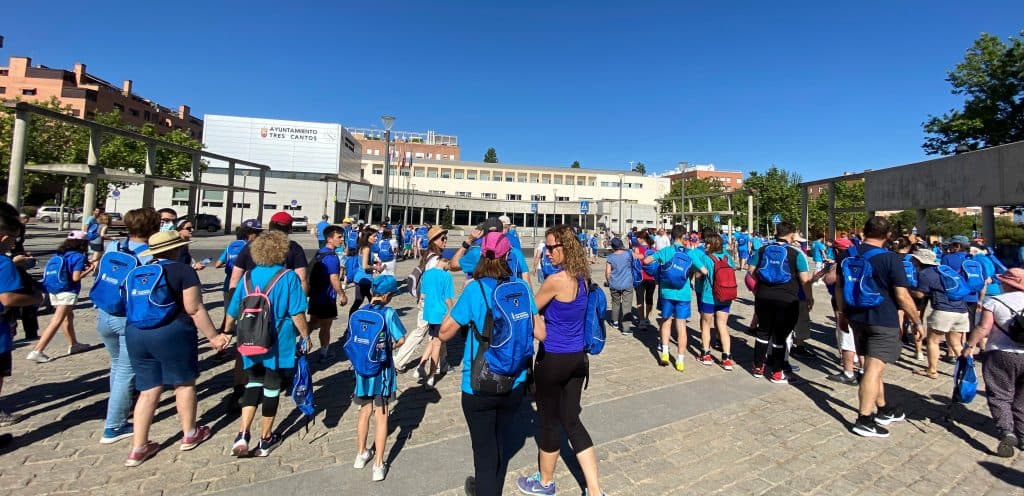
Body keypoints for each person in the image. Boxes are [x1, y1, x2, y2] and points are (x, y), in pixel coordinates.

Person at [439, 231, 544, 496]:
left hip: (479, 383)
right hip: (515, 381)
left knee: (483, 453)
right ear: (508, 256)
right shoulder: (521, 288)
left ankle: (485, 489)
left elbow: (444, 333)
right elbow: (540, 332)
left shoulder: (475, 289)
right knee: (499, 439)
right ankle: (490, 486)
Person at [123, 230, 230, 466]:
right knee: (183, 383)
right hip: (171, 331)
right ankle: (190, 433)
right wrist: (214, 337)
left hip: (136, 332)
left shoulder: (138, 271)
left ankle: (138, 447)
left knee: (148, 390)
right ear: (176, 248)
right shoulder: (183, 271)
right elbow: (194, 309)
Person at [517, 226, 603, 496]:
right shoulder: (584, 277)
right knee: (572, 421)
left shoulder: (556, 280)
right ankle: (595, 490)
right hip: (578, 359)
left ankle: (545, 483)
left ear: (566, 247)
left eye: (552, 247)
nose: (547, 253)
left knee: (549, 422)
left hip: (553, 358)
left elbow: (530, 310)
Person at [224, 230, 311, 457]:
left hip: (249, 337)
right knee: (272, 386)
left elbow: (233, 311)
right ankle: (265, 438)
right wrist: (305, 336)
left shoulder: (248, 276)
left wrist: (226, 332)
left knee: (253, 381)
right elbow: (297, 312)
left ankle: (243, 433)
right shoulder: (288, 277)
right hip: (278, 338)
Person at [839, 216, 922, 438]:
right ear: (888, 235)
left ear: (864, 231)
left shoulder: (848, 254)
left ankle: (884, 409)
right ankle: (864, 419)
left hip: (856, 316)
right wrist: (917, 321)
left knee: (870, 367)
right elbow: (902, 296)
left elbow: (840, 287)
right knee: (873, 369)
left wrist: (842, 314)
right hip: (882, 318)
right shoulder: (890, 258)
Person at [93, 207, 159, 444]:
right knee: (126, 371)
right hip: (127, 317)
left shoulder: (115, 247)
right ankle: (114, 425)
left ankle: (118, 408)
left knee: (116, 366)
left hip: (105, 312)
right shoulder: (149, 255)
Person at [963, 267, 1024, 457]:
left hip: (1000, 354)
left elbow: (983, 328)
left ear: (1006, 283)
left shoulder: (995, 301)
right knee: (1022, 398)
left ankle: (1006, 431)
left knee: (1000, 394)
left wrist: (969, 346)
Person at [350, 275, 406, 482]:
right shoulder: (388, 313)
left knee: (364, 411)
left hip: (361, 370)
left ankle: (360, 454)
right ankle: (379, 465)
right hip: (381, 372)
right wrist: (390, 347)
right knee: (382, 416)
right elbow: (401, 339)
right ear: (388, 295)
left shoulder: (359, 312)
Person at [746, 221, 811, 383]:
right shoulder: (796, 253)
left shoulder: (763, 249)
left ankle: (758, 367)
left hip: (763, 296)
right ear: (791, 234)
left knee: (763, 332)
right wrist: (809, 297)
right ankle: (777, 372)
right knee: (780, 336)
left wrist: (761, 284)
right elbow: (805, 280)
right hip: (787, 298)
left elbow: (750, 271)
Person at [0, 207, 44, 441]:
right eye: (14, 239)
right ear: (4, 238)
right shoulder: (3, 263)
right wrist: (35, 298)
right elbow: (7, 298)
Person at [27, 231, 94, 363]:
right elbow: (75, 278)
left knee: (68, 317)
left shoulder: (60, 254)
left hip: (54, 290)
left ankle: (74, 344)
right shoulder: (78, 257)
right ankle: (38, 350)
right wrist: (90, 269)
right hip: (67, 291)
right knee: (57, 320)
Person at [394, 226, 448, 372]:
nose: (445, 241)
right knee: (429, 332)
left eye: (445, 238)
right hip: (431, 300)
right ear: (433, 241)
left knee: (434, 331)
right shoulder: (435, 259)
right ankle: (399, 361)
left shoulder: (428, 255)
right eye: (442, 238)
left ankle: (443, 363)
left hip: (426, 299)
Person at [644, 225, 694, 372]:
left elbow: (647, 261)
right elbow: (701, 270)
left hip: (667, 292)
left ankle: (665, 352)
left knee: (666, 322)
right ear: (683, 237)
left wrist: (658, 267)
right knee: (681, 327)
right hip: (684, 294)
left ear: (672, 236)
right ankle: (680, 360)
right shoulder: (690, 253)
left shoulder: (666, 251)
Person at [912, 248, 968, 379]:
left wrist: (908, 291)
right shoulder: (944, 270)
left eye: (914, 259)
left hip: (943, 311)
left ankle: (932, 370)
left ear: (919, 261)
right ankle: (966, 371)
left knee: (933, 341)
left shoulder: (925, 273)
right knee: (956, 344)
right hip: (961, 310)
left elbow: (920, 294)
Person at [692, 233, 736, 370]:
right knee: (722, 325)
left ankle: (706, 354)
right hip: (725, 296)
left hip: (709, 296)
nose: (704, 245)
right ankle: (726, 358)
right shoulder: (727, 257)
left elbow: (699, 275)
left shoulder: (706, 258)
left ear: (710, 245)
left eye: (706, 243)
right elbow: (733, 270)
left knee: (706, 325)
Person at [307, 225, 349, 361]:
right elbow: (334, 278)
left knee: (313, 323)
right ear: (329, 239)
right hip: (326, 298)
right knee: (325, 326)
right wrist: (342, 294)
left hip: (315, 295)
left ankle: (301, 343)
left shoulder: (320, 252)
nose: (342, 240)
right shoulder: (331, 257)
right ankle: (324, 354)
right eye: (339, 237)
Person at [416, 257, 454, 388]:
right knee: (437, 344)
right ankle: (431, 377)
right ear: (446, 262)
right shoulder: (446, 276)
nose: (450, 268)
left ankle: (421, 366)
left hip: (429, 312)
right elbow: (447, 298)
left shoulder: (427, 274)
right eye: (450, 265)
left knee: (433, 340)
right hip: (440, 313)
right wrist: (453, 311)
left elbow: (423, 295)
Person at [348, 225, 382, 316]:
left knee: (364, 300)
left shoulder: (363, 247)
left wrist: (374, 262)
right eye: (374, 236)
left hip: (361, 278)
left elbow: (363, 260)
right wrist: (376, 268)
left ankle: (364, 317)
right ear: (368, 237)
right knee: (364, 300)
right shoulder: (366, 248)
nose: (376, 238)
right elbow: (365, 266)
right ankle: (370, 317)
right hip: (364, 278)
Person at [604, 237, 634, 334]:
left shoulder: (610, 257)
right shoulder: (628, 254)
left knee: (615, 303)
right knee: (626, 305)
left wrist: (609, 281)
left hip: (614, 284)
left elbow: (607, 272)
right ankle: (626, 328)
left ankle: (615, 322)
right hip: (627, 283)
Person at [632, 232, 657, 331]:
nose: (637, 239)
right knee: (649, 299)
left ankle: (641, 320)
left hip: (640, 277)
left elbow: (635, 262)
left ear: (641, 238)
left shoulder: (637, 249)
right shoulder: (654, 250)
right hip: (652, 278)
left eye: (638, 238)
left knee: (640, 299)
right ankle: (647, 318)